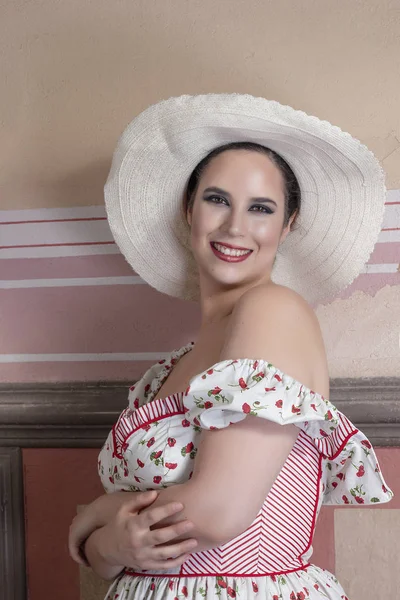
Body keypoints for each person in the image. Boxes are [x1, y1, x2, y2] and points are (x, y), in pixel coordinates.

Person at [69, 94, 393, 599]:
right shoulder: (168, 371)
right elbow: (109, 561)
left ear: (287, 226)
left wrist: (98, 514)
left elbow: (218, 514)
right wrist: (110, 545)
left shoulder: (274, 312)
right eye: (217, 199)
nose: (235, 227)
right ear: (189, 208)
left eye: (261, 208)